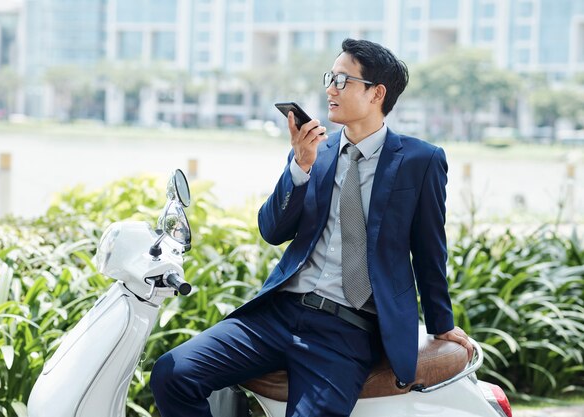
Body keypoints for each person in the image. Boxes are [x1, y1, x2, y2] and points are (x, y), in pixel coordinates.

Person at [150, 38, 473, 417]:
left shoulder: (421, 160)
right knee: (173, 373)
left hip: (347, 332)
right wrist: (299, 168)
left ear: (376, 93)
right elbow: (271, 230)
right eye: (330, 78)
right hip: (278, 314)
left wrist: (442, 325)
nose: (329, 89)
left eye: (342, 80)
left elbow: (430, 249)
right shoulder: (312, 151)